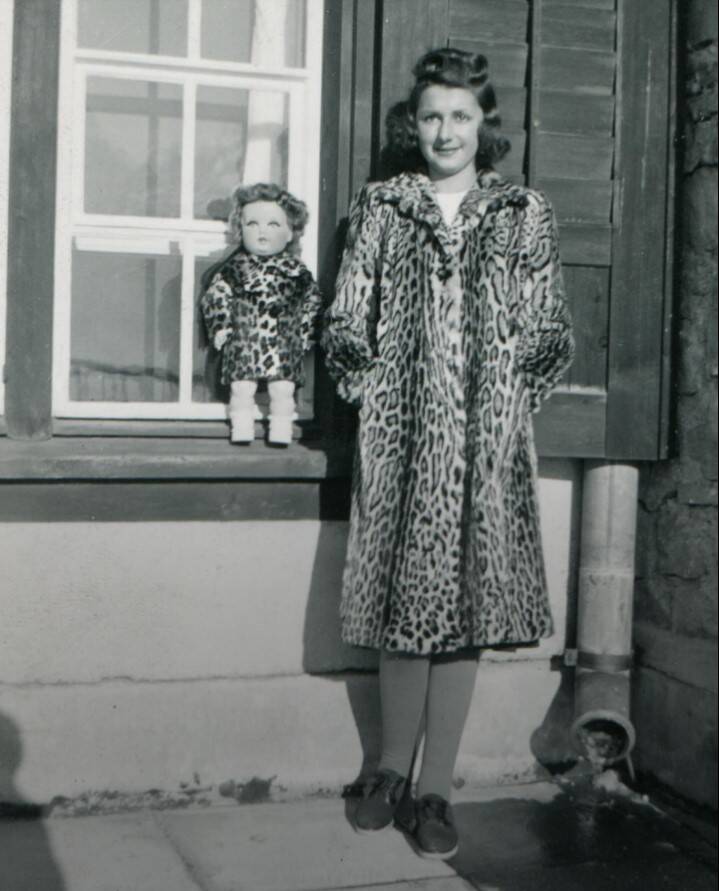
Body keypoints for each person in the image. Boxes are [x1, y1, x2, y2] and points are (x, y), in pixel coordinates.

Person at [322, 48, 574, 859]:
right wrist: (372, 390)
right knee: (404, 607)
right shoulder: (384, 206)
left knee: (464, 614)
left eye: (460, 116)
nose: (444, 131)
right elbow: (345, 317)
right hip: (399, 440)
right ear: (414, 123)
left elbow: (547, 326)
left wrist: (506, 402)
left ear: (482, 124)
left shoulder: (521, 211)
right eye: (431, 115)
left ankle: (435, 787)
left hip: (485, 443)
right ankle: (387, 772)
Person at [200, 182, 322, 445]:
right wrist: (220, 325)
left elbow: (312, 301)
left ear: (290, 233)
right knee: (241, 387)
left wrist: (306, 333)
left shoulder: (296, 271)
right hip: (244, 341)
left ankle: (281, 428)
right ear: (240, 229)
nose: (262, 232)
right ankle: (241, 426)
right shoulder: (236, 268)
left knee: (283, 389)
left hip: (284, 343)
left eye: (273, 224)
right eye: (252, 224)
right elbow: (216, 295)